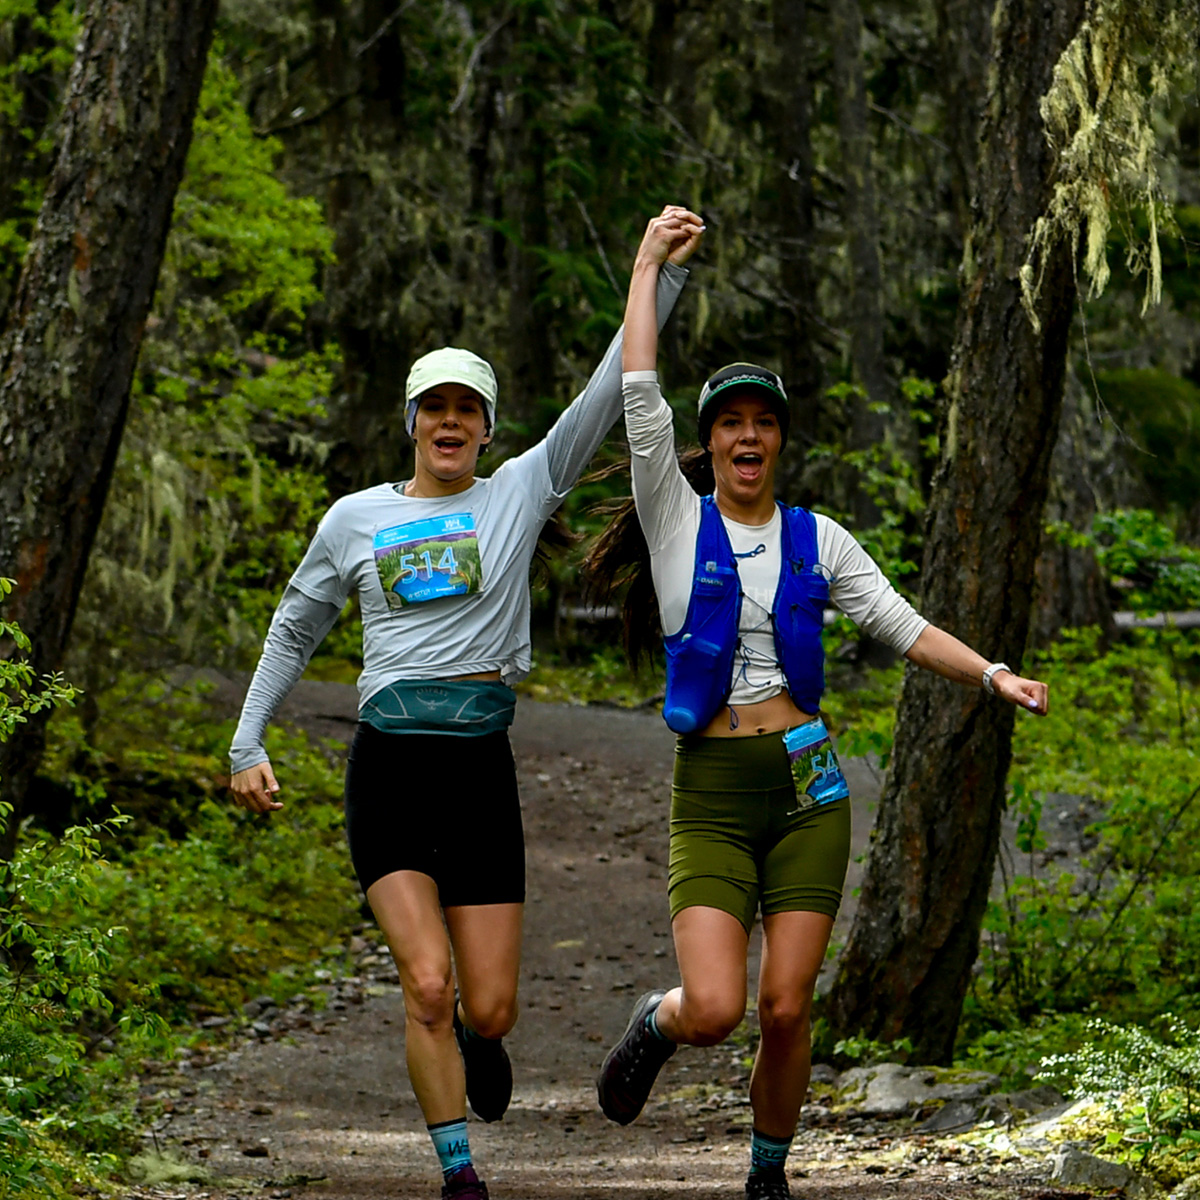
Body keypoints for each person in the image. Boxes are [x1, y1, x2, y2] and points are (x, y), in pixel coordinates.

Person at [227, 206, 705, 1200]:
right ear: (411, 423)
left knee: (488, 1008)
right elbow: (291, 630)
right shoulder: (355, 519)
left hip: (479, 774)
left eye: (468, 410)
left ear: (487, 428)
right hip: (392, 771)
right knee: (429, 986)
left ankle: (482, 1045)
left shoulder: (519, 491)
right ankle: (459, 1173)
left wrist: (657, 269)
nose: (450, 422)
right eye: (433, 408)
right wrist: (246, 742)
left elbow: (608, 395)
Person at [588, 219, 1049, 1200]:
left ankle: (766, 1175)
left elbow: (901, 622)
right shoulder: (676, 518)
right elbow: (639, 394)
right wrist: (645, 267)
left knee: (788, 1008)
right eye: (729, 424)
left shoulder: (819, 539)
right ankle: (654, 1022)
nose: (746, 437)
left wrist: (991, 673)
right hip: (712, 789)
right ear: (708, 444)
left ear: (779, 441)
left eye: (762, 423)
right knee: (716, 1007)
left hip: (808, 786)